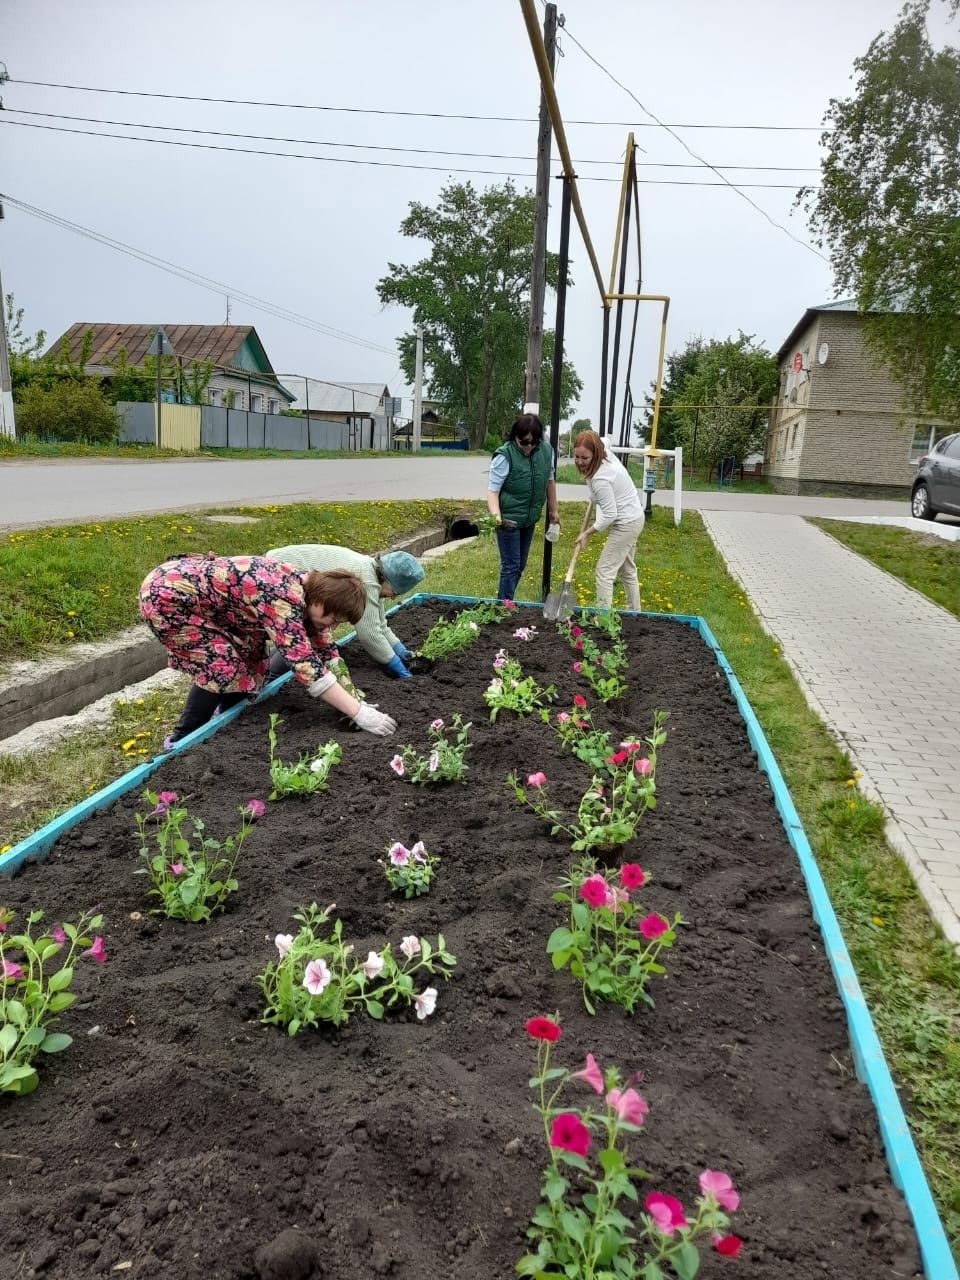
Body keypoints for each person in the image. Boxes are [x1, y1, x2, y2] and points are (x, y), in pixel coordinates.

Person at [139, 553, 397, 746]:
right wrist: (357, 712)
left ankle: (227, 715)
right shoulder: (282, 598)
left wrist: (353, 698)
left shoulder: (310, 593)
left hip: (210, 603)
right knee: (220, 665)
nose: (334, 625)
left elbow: (327, 652)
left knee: (251, 659)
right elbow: (304, 664)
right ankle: (181, 739)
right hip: (170, 596)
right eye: (334, 618)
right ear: (322, 601)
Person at [264, 546, 425, 679]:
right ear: (387, 579)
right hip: (278, 572)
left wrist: (400, 650)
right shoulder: (367, 582)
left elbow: (380, 624)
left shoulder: (372, 572)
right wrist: (396, 665)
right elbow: (370, 633)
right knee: (298, 636)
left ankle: (267, 670)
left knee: (298, 633)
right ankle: (269, 679)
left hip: (283, 567)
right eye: (394, 591)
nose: (393, 597)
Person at [485, 412, 560, 602]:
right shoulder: (505, 455)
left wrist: (553, 510)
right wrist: (496, 517)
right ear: (515, 436)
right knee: (511, 565)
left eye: (533, 443)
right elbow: (493, 491)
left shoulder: (546, 451)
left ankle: (505, 602)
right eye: (524, 442)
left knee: (520, 565)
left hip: (529, 518)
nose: (528, 447)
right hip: (508, 520)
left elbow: (550, 482)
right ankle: (504, 605)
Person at [571, 431, 645, 611]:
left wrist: (587, 533)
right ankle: (635, 613)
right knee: (627, 570)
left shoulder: (601, 479)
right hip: (634, 516)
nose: (580, 462)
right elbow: (606, 440)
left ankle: (604, 618)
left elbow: (609, 515)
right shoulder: (603, 448)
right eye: (577, 456)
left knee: (604, 571)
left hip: (626, 522)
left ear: (596, 454)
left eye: (585, 458)